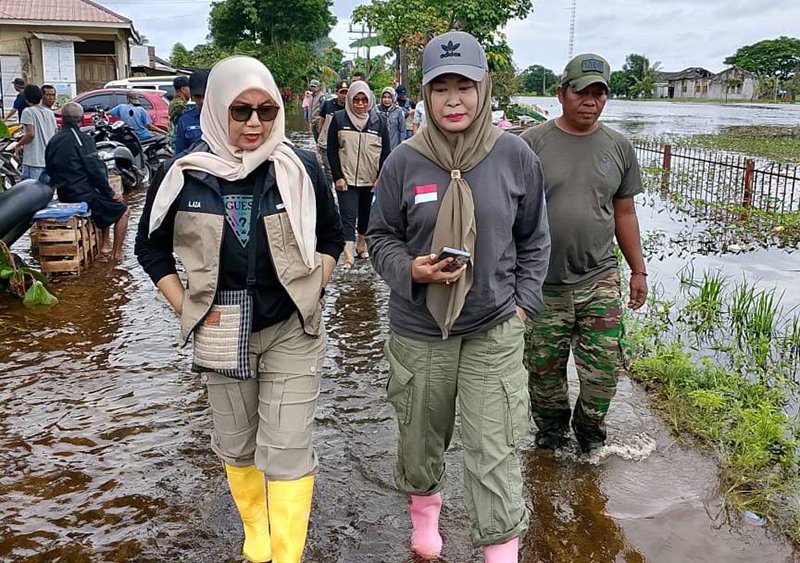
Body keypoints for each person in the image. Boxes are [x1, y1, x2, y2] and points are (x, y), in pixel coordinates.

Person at [134, 56, 344, 563]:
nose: (255, 123)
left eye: (266, 111)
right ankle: (257, 533)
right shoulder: (181, 175)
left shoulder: (301, 167)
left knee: (288, 448)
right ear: (215, 109)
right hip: (220, 329)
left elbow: (334, 238)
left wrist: (313, 289)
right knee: (237, 444)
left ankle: (285, 555)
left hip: (291, 327)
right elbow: (150, 248)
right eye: (242, 110)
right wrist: (185, 307)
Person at [367, 31, 550, 563]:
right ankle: (426, 526)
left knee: (493, 450)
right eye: (440, 87)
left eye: (465, 86)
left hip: (493, 325)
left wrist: (522, 307)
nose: (453, 100)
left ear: (483, 88)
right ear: (423, 95)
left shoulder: (514, 154)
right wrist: (411, 269)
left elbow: (536, 237)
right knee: (421, 441)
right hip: (419, 329)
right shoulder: (404, 160)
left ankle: (501, 550)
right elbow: (380, 236)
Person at [520, 53, 648, 454]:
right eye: (582, 92)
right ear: (562, 93)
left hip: (599, 280)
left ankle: (590, 434)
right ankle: (551, 436)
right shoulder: (530, 144)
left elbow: (624, 211)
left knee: (603, 376)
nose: (591, 101)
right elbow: (509, 211)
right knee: (544, 375)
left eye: (600, 93)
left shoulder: (618, 147)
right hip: (543, 285)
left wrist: (638, 271)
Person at [45, 102, 130, 261]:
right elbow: (95, 171)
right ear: (81, 119)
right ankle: (117, 254)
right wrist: (111, 193)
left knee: (103, 200)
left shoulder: (53, 141)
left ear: (62, 119)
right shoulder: (83, 139)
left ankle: (105, 244)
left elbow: (49, 169)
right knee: (123, 210)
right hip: (81, 194)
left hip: (63, 193)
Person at [327, 81, 390, 269]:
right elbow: (331, 150)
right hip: (346, 179)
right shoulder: (339, 119)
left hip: (370, 179)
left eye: (364, 100)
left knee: (366, 216)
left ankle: (361, 245)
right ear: (350, 100)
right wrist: (337, 176)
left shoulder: (379, 122)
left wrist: (380, 178)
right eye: (356, 100)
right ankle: (348, 255)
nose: (360, 104)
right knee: (348, 215)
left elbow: (386, 152)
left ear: (370, 101)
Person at [15, 85, 57, 181]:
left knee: (31, 192)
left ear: (26, 98)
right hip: (48, 160)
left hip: (34, 160)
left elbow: (30, 134)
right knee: (46, 192)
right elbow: (55, 132)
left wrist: (19, 144)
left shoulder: (28, 112)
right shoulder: (50, 112)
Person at [315, 81, 347, 190]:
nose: (344, 95)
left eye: (346, 92)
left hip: (343, 145)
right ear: (336, 92)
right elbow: (321, 121)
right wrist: (320, 139)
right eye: (342, 92)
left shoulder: (350, 107)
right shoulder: (328, 105)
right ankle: (329, 194)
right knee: (328, 170)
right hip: (326, 144)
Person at [174, 70, 208, 154]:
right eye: (198, 96)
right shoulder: (185, 120)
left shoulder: (225, 117)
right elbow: (180, 154)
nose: (202, 101)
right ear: (192, 97)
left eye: (205, 95)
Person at [377, 87, 406, 151]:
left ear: (393, 98)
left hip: (394, 146)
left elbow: (402, 130)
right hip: (379, 146)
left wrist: (401, 145)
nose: (386, 100)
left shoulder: (398, 111)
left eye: (389, 97)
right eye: (384, 97)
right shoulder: (377, 110)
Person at [168, 75, 191, 149]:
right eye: (189, 88)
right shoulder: (179, 104)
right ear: (183, 89)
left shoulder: (176, 101)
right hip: (179, 139)